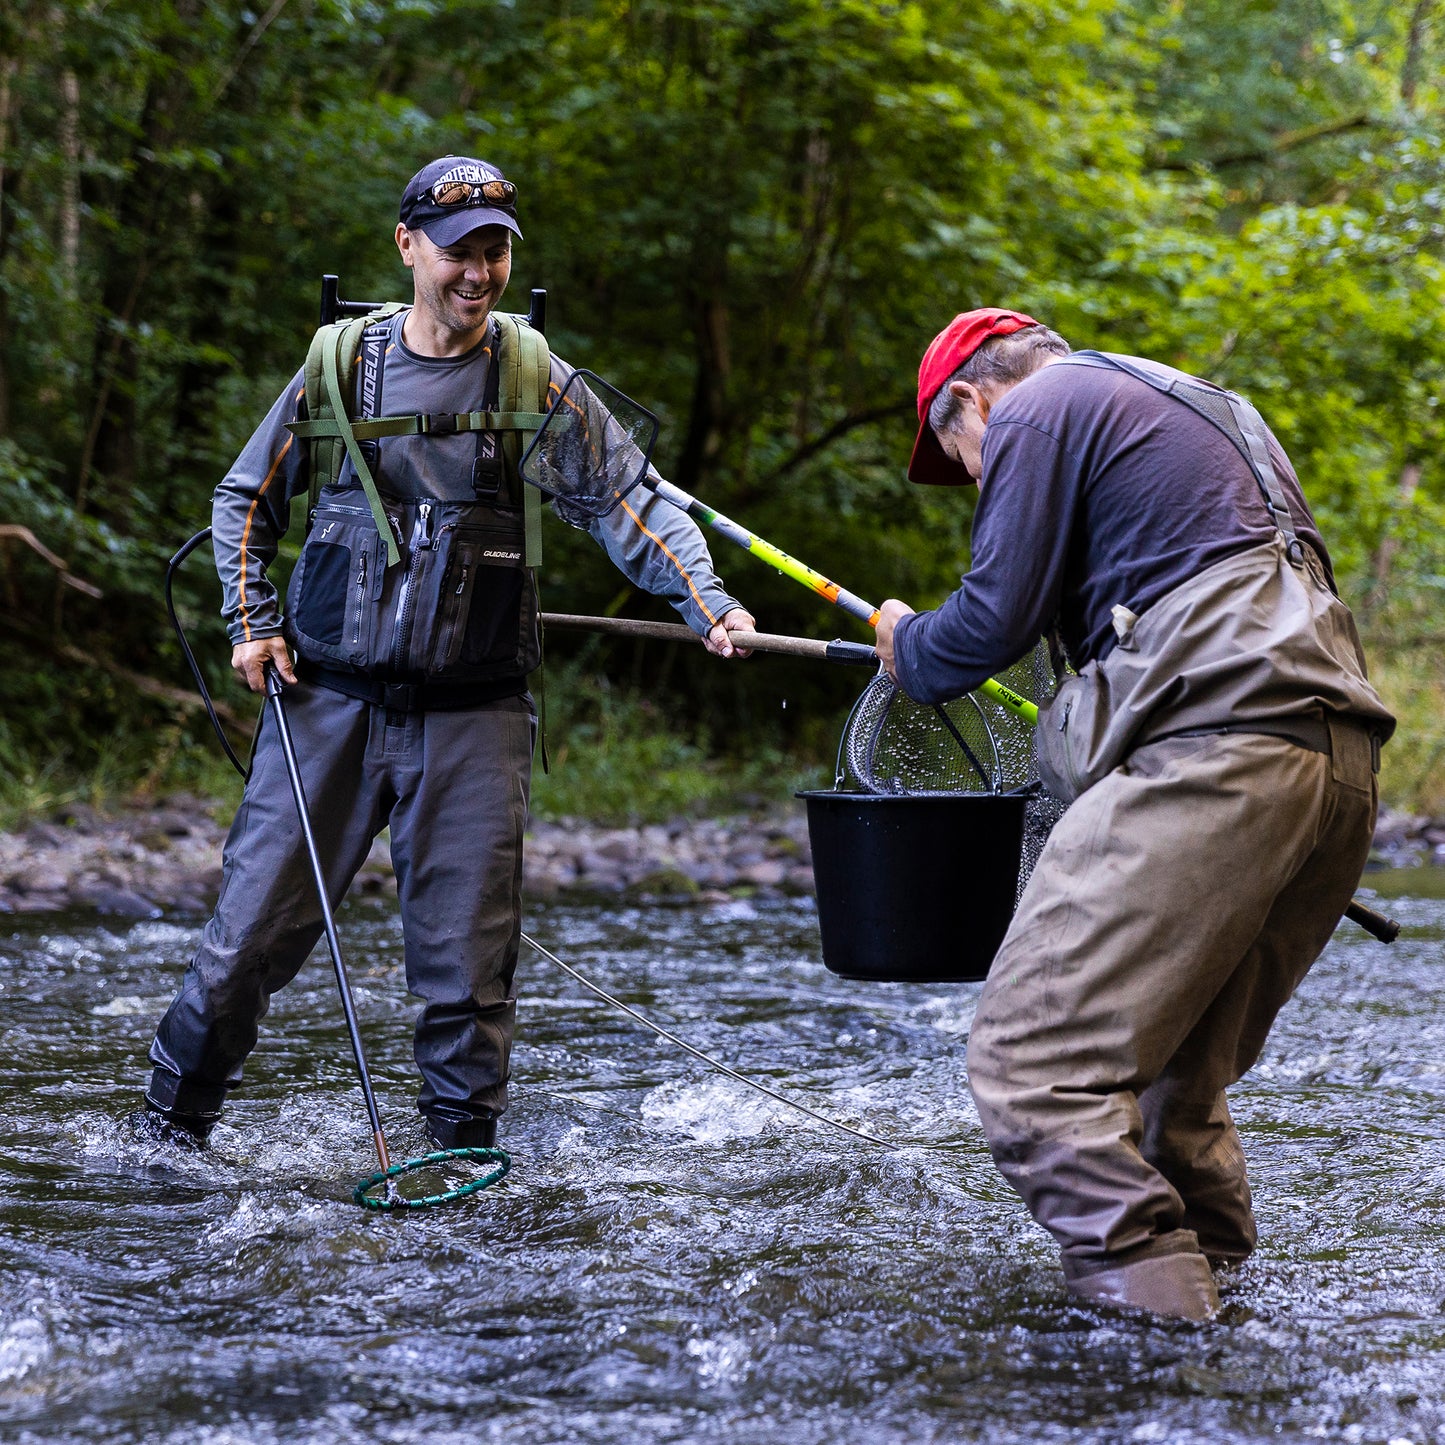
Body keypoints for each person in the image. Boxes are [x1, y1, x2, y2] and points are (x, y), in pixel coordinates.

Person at [139, 156, 755, 1153]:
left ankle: (461, 1172)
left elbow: (630, 503)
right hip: (325, 705)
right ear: (408, 246)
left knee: (466, 978)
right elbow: (243, 500)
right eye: (461, 250)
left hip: (475, 718)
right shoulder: (340, 364)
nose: (479, 271)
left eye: (496, 250)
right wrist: (250, 619)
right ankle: (166, 1141)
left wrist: (706, 602)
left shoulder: (532, 375)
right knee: (242, 946)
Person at [874, 308, 1394, 1321]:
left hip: (1215, 753)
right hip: (1332, 766)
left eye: (961, 458)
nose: (979, 480)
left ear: (971, 401)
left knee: (1033, 1069)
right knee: (1170, 1094)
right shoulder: (1204, 406)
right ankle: (1225, 1331)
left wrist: (908, 641)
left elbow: (984, 624)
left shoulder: (1035, 405)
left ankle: (1157, 1346)